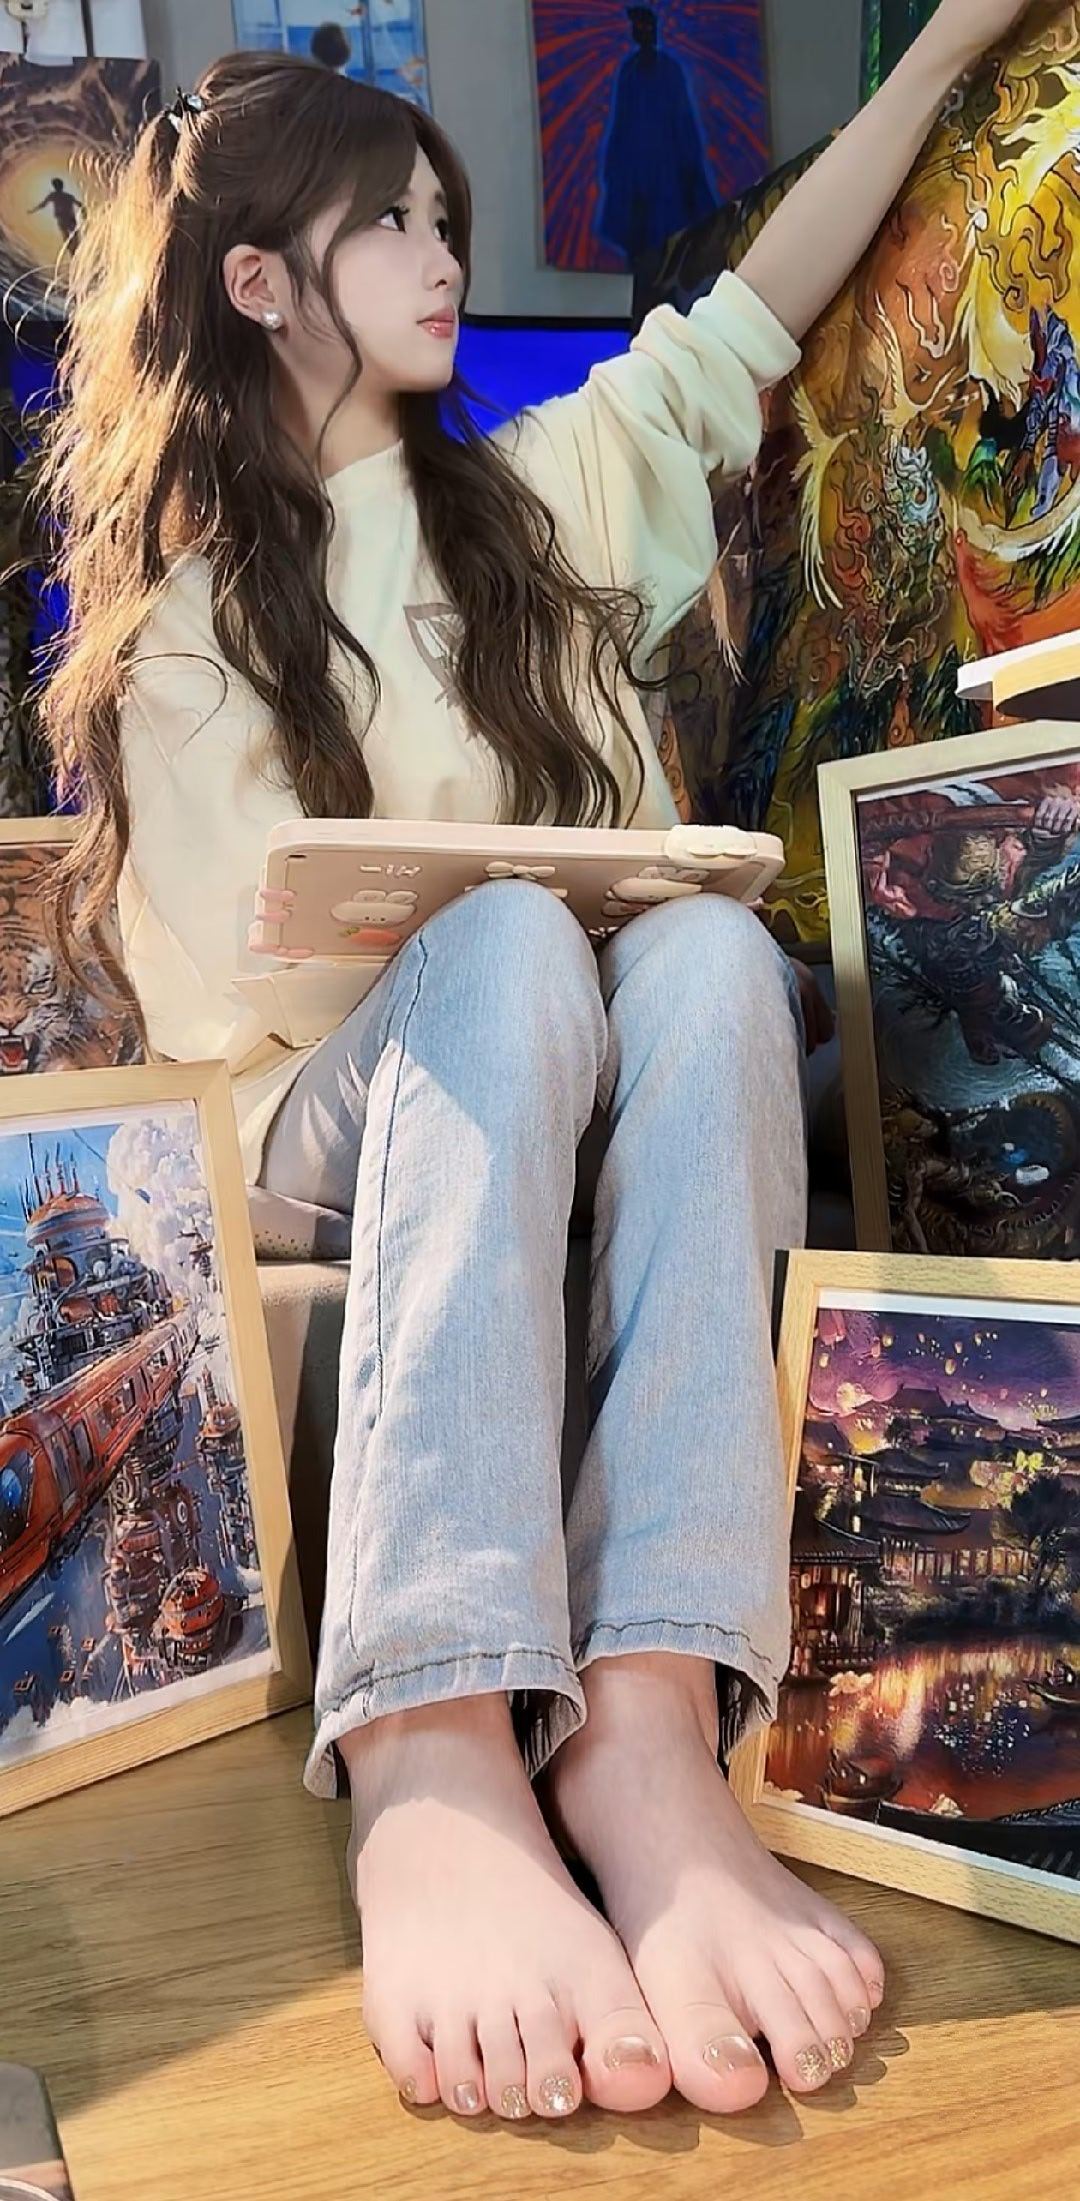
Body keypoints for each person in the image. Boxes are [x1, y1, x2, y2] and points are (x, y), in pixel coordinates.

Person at [39, 1, 1034, 2128]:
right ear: (258, 281)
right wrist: (456, 931)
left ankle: (648, 1719)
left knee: (707, 952)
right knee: (502, 939)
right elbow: (222, 1036)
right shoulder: (183, 631)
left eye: (446, 215)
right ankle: (430, 1735)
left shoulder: (538, 498)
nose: (442, 254)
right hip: (328, 1123)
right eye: (390, 224)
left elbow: (757, 309)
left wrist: (946, 48)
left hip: (585, 1053)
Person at [599, 5, 717, 273]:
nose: (640, 32)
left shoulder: (669, 71)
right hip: (635, 170)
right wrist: (613, 164)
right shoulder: (629, 71)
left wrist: (688, 163)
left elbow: (683, 121)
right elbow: (621, 120)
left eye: (644, 27)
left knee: (667, 235)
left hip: (665, 168)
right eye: (636, 27)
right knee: (638, 239)